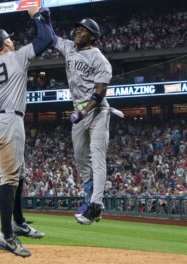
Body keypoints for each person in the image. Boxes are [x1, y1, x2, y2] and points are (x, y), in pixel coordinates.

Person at [0, 6, 54, 258]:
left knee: (18, 174)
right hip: (10, 120)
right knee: (9, 180)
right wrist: (38, 17)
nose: (12, 39)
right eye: (8, 37)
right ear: (3, 44)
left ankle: (18, 221)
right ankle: (6, 236)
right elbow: (45, 40)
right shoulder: (17, 57)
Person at [49, 17, 123, 224]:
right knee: (80, 157)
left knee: (97, 157)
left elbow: (100, 91)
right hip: (78, 112)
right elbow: (50, 38)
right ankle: (90, 195)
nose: (77, 33)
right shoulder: (70, 47)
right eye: (77, 30)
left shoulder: (98, 58)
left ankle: (95, 206)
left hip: (97, 111)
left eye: (82, 31)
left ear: (92, 36)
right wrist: (42, 18)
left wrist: (83, 112)